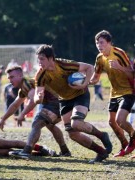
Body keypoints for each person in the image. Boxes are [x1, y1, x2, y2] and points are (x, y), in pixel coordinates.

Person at [34, 44, 112, 163]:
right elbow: (37, 94)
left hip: (80, 95)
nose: (39, 62)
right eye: (38, 59)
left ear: (51, 58)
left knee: (76, 123)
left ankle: (101, 135)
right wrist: (38, 98)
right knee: (73, 134)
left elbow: (90, 67)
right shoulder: (40, 75)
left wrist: (84, 84)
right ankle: (101, 152)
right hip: (65, 100)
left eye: (42, 59)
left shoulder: (64, 64)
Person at [0, 66, 71, 158]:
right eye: (8, 78)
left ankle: (26, 151)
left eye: (12, 77)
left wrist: (22, 114)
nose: (10, 80)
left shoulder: (27, 83)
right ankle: (65, 151)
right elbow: (15, 105)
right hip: (60, 103)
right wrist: (3, 119)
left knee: (37, 123)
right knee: (50, 125)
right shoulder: (23, 88)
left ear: (20, 75)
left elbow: (33, 100)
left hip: (55, 103)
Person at [90, 30, 135, 158]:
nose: (99, 45)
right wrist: (85, 81)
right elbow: (95, 77)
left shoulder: (119, 53)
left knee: (120, 120)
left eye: (101, 42)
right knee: (112, 122)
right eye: (97, 42)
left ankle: (133, 139)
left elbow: (132, 73)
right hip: (114, 92)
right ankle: (125, 144)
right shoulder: (99, 58)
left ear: (109, 42)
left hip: (127, 91)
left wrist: (119, 67)